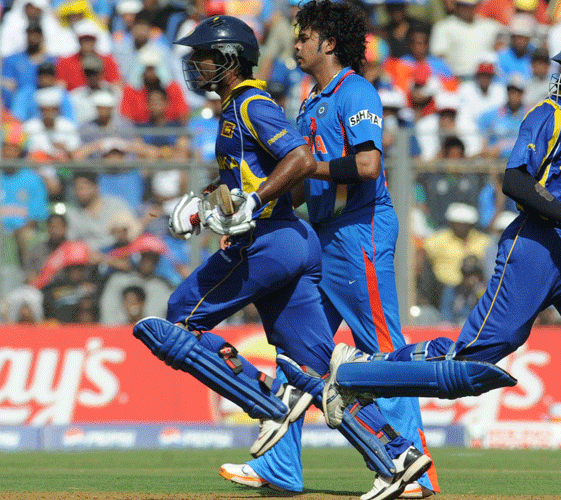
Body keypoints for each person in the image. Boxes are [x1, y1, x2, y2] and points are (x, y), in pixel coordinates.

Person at [320, 29, 561, 500]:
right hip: (536, 246)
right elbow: (516, 182)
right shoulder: (547, 115)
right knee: (471, 364)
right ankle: (358, 375)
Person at [132, 14, 430, 500]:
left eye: (204, 55)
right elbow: (276, 181)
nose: (195, 64)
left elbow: (310, 162)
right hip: (309, 233)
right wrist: (211, 207)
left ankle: (270, 402)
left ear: (228, 58)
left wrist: (252, 203)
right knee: (309, 364)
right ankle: (394, 458)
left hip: (341, 232)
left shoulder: (259, 101)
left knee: (182, 316)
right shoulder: (301, 100)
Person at [223, 3, 438, 498]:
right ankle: (279, 467)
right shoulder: (310, 99)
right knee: (298, 348)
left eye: (305, 37)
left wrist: (303, 167)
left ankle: (417, 474)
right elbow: (303, 186)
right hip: (322, 236)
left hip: (358, 232)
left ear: (329, 44)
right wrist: (254, 210)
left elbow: (365, 167)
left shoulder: (356, 91)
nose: (295, 44)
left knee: (383, 350)